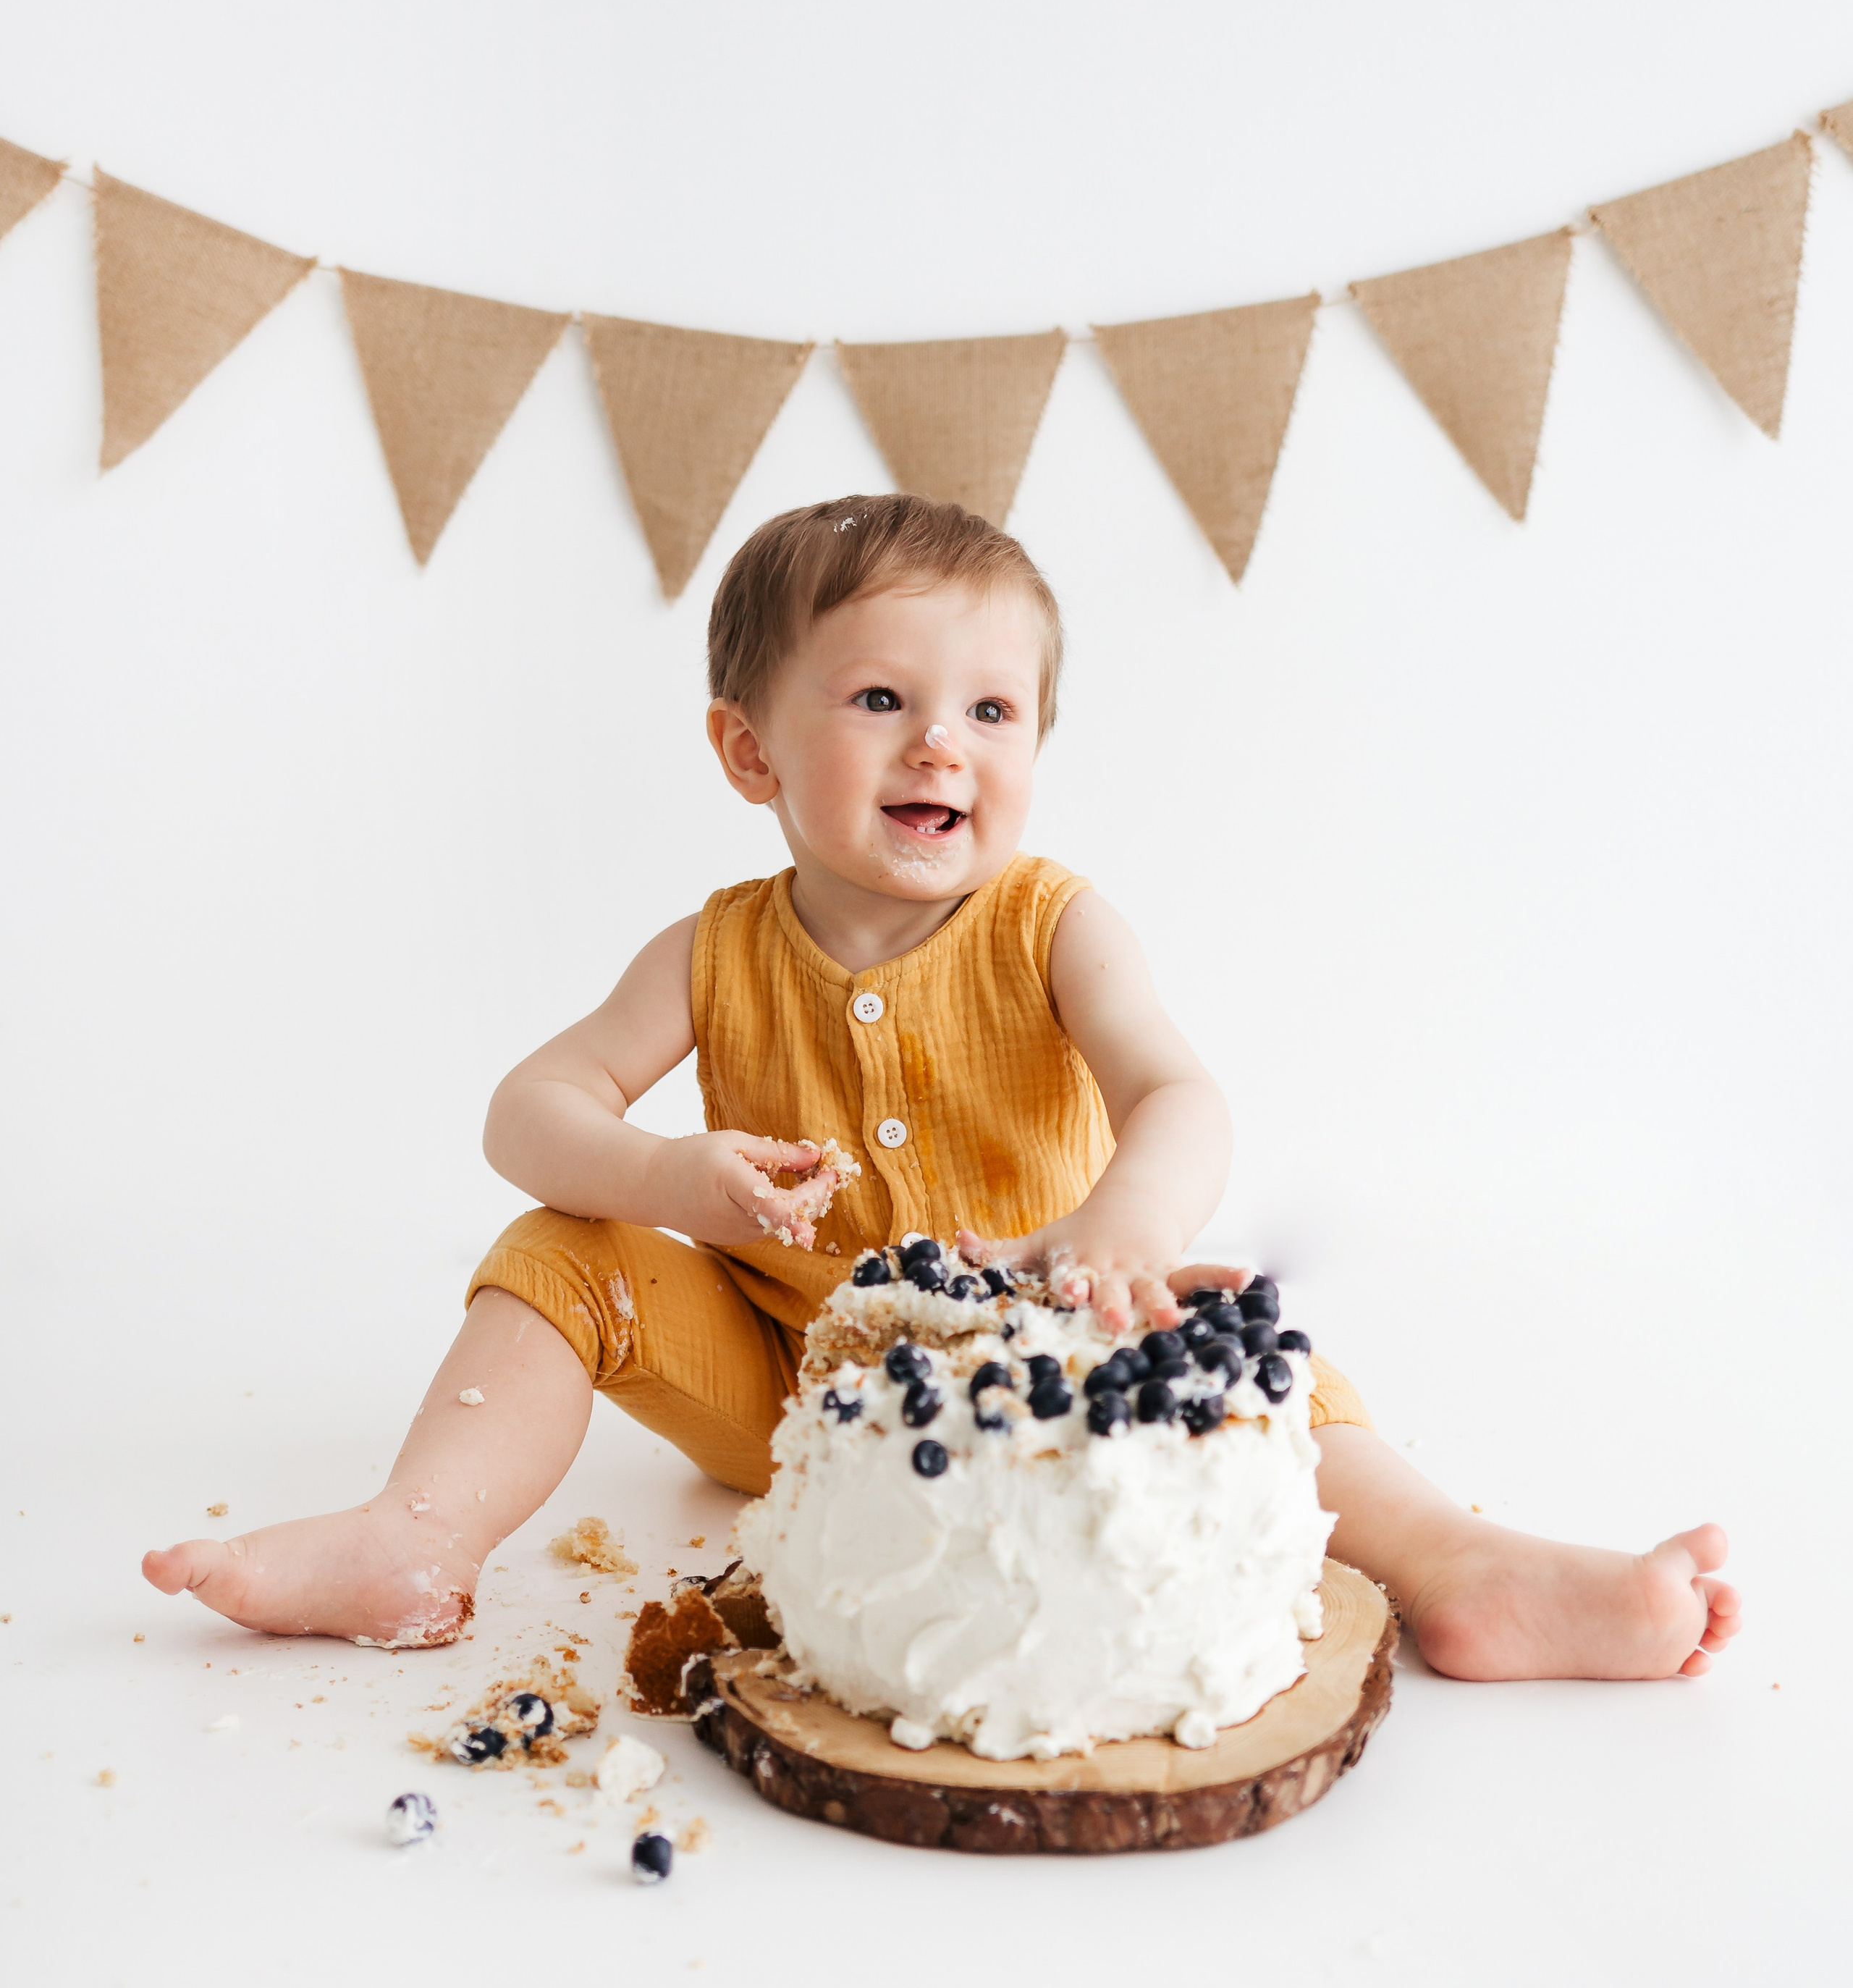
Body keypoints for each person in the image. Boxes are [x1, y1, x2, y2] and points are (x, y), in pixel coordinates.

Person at [144, 494, 1741, 1680]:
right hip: (795, 1391)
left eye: (990, 709)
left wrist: (1113, 1226)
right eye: (879, 700)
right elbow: (527, 1109)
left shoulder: (1051, 924)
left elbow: (1180, 1094)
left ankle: (1461, 1565)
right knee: (557, 1242)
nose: (942, 747)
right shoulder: (709, 952)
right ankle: (413, 1538)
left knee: (1245, 1346)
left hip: (1050, 1349)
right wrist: (667, 1177)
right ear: (748, 750)